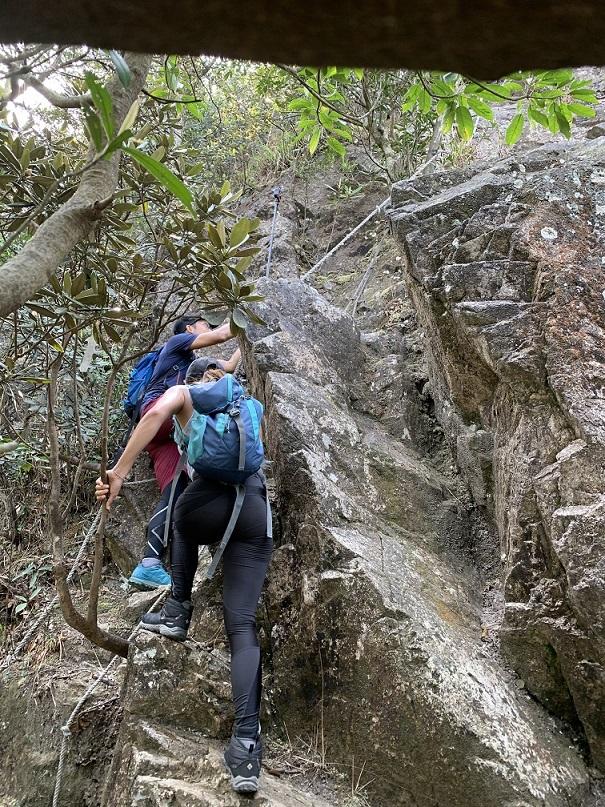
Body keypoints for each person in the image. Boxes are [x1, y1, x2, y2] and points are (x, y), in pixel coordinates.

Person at [96, 360, 272, 794]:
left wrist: (118, 472)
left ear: (192, 380)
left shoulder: (188, 397)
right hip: (254, 512)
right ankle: (246, 749)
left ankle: (177, 609)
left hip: (209, 504)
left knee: (180, 516)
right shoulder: (246, 406)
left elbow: (155, 413)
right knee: (242, 627)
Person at [128, 315, 240, 589]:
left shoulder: (190, 365)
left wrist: (248, 344)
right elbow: (223, 335)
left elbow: (228, 366)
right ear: (189, 329)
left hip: (160, 436)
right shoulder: (178, 342)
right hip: (162, 411)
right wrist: (246, 315)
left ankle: (149, 564)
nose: (209, 329)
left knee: (175, 490)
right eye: (205, 324)